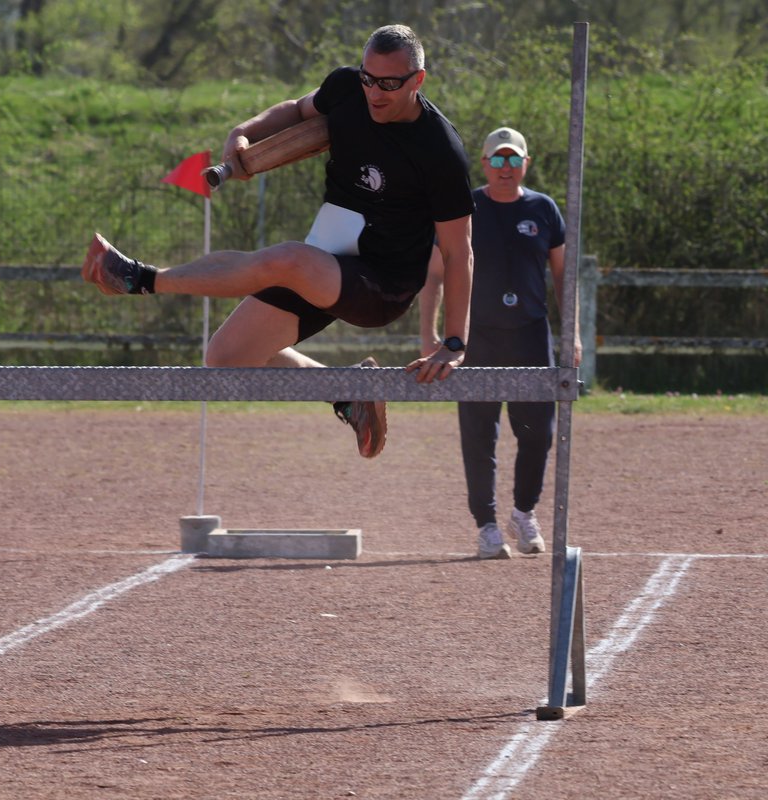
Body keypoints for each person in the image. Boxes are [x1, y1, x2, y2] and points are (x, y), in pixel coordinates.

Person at [81, 24, 474, 459]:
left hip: (382, 285)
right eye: (368, 77)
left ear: (418, 80)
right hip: (328, 255)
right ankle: (350, 394)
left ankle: (139, 278)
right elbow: (295, 110)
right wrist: (243, 131)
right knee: (227, 356)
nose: (374, 92)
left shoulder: (441, 150)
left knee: (288, 259)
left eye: (389, 84)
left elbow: (459, 252)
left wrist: (453, 343)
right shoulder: (346, 87)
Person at [419, 126, 581, 560]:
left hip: (531, 335)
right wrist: (430, 334)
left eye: (514, 159)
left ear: (525, 164)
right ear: (485, 163)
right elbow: (436, 274)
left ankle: (524, 513)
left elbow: (564, 276)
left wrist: (573, 334)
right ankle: (487, 526)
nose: (505, 168)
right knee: (478, 435)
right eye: (498, 159)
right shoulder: (465, 208)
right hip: (475, 339)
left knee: (538, 434)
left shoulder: (544, 210)